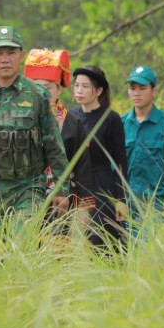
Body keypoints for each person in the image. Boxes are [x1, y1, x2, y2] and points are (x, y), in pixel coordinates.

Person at [0, 26, 70, 224]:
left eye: (11, 52)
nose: (5, 58)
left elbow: (54, 146)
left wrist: (61, 189)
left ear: (21, 55)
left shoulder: (38, 94)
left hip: (27, 189)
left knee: (23, 246)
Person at [70, 65, 128, 247]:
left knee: (102, 240)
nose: (79, 90)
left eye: (85, 86)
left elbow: (120, 161)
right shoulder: (69, 116)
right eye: (77, 85)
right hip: (75, 185)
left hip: (102, 186)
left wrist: (121, 199)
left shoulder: (111, 119)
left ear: (99, 90)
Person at [121, 66, 164, 218]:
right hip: (126, 208)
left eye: (142, 88)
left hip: (158, 207)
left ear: (154, 91)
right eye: (132, 88)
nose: (136, 93)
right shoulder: (120, 124)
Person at [23, 48, 86, 195]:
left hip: (63, 194)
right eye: (35, 87)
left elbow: (83, 168)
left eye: (47, 88)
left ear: (59, 89)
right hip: (26, 195)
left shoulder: (73, 122)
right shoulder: (20, 117)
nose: (41, 93)